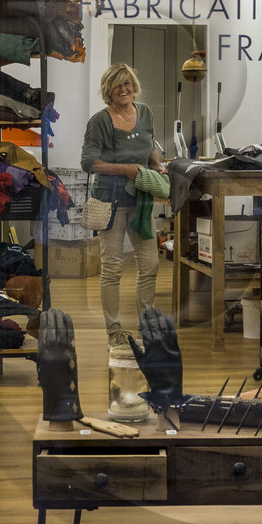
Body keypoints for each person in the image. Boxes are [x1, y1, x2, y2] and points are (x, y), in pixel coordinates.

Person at [80, 62, 165, 353]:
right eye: (117, 85)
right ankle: (114, 332)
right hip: (111, 202)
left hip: (140, 201)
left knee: (150, 265)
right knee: (112, 269)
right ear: (109, 90)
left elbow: (150, 144)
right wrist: (125, 169)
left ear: (133, 86)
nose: (123, 89)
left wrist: (156, 164)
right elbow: (88, 162)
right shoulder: (100, 121)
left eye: (127, 83)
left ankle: (147, 326)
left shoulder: (145, 113)